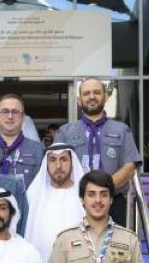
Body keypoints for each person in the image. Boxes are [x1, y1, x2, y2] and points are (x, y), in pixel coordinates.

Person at [55, 78, 142, 224]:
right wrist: (87, 193)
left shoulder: (122, 130)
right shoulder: (64, 132)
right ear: (79, 100)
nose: (91, 96)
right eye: (86, 93)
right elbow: (56, 168)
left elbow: (130, 167)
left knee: (114, 240)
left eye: (96, 92)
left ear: (105, 97)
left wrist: (103, 189)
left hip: (114, 203)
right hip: (75, 203)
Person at [0, 94, 46, 188]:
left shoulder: (37, 150)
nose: (10, 116)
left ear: (23, 117)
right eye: (5, 111)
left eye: (15, 112)